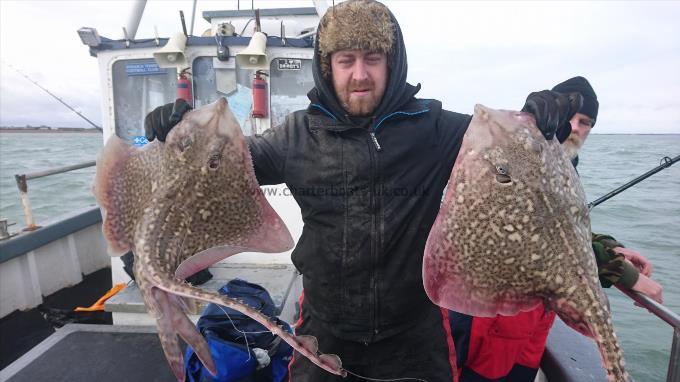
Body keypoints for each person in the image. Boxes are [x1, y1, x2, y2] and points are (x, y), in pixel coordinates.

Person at [144, 1, 579, 380]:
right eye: (345, 59)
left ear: (392, 62)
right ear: (327, 65)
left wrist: (541, 124)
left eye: (372, 58)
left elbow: (508, 151)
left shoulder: (434, 129)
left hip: (415, 335)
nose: (359, 74)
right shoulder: (297, 135)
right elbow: (227, 165)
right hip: (324, 331)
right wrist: (177, 140)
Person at [449, 76, 664, 382]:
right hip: (492, 317)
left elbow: (565, 231)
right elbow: (526, 221)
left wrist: (609, 247)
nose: (577, 128)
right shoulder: (519, 155)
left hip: (534, 323)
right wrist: (622, 273)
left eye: (587, 123)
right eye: (573, 118)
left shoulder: (565, 168)